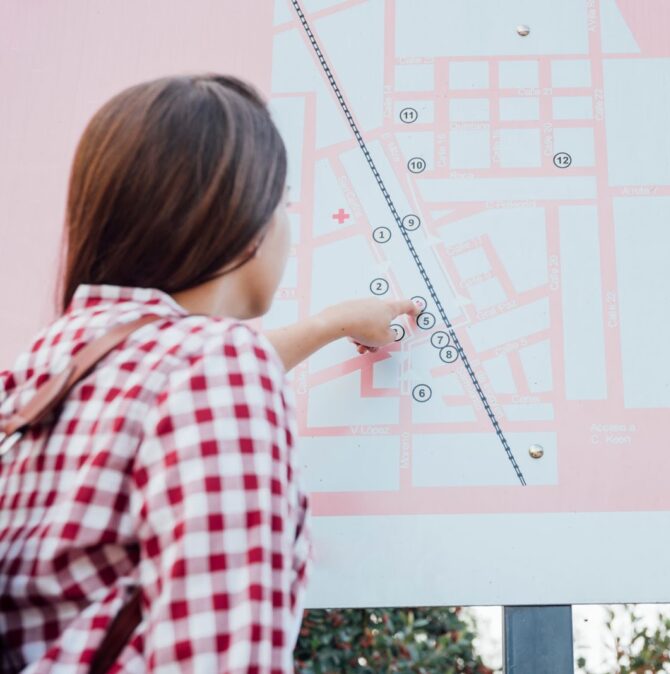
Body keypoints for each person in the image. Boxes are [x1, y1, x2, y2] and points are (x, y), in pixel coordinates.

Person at [0, 74, 417, 672]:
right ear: (242, 219)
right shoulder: (216, 367)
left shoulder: (40, 369)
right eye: (283, 203)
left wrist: (327, 325)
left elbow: (163, 382)